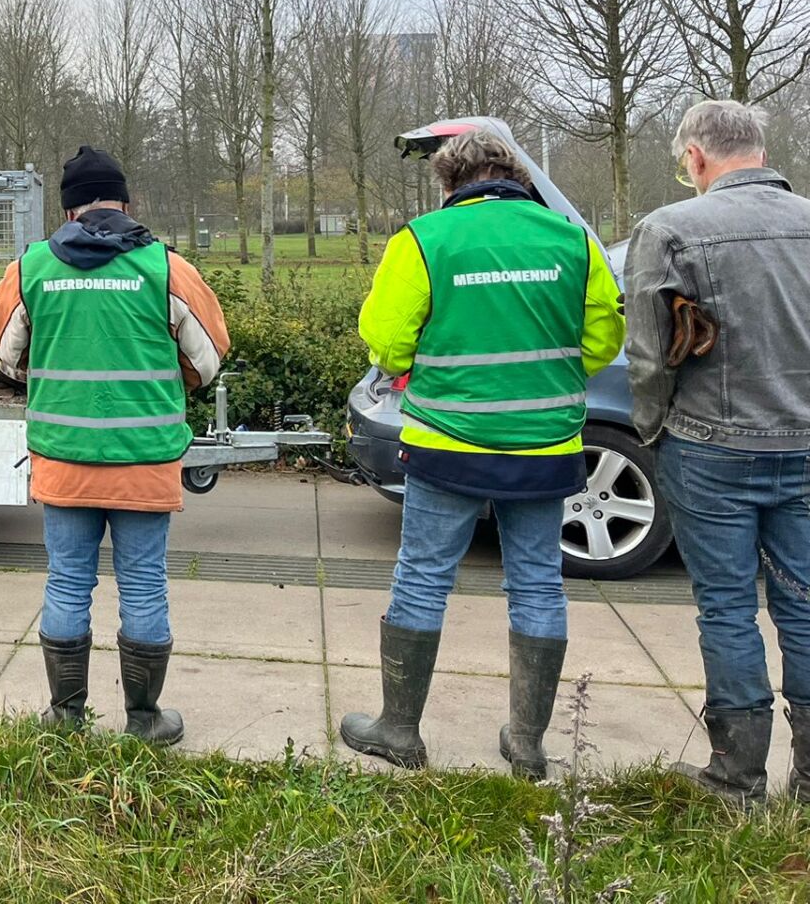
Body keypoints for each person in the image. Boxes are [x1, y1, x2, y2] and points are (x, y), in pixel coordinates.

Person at [340, 128, 622, 778]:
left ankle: (399, 730)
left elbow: (386, 340)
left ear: (449, 181)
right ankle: (527, 744)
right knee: (537, 583)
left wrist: (422, 368)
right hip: (545, 444)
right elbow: (604, 338)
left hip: (448, 444)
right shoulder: (573, 240)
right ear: (516, 175)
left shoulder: (424, 240)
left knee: (423, 577)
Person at [0, 146, 229, 744]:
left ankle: (66, 717)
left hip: (63, 460)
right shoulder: (167, 269)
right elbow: (208, 360)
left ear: (67, 209)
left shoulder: (31, 268)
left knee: (67, 581)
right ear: (126, 202)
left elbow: (7, 357)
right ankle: (144, 720)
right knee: (143, 585)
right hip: (144, 463)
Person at [628, 100, 810, 805]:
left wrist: (653, 429)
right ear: (760, 150)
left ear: (696, 157)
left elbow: (649, 355)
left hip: (710, 447)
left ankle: (737, 778)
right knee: (804, 605)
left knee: (728, 607)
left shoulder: (670, 229)